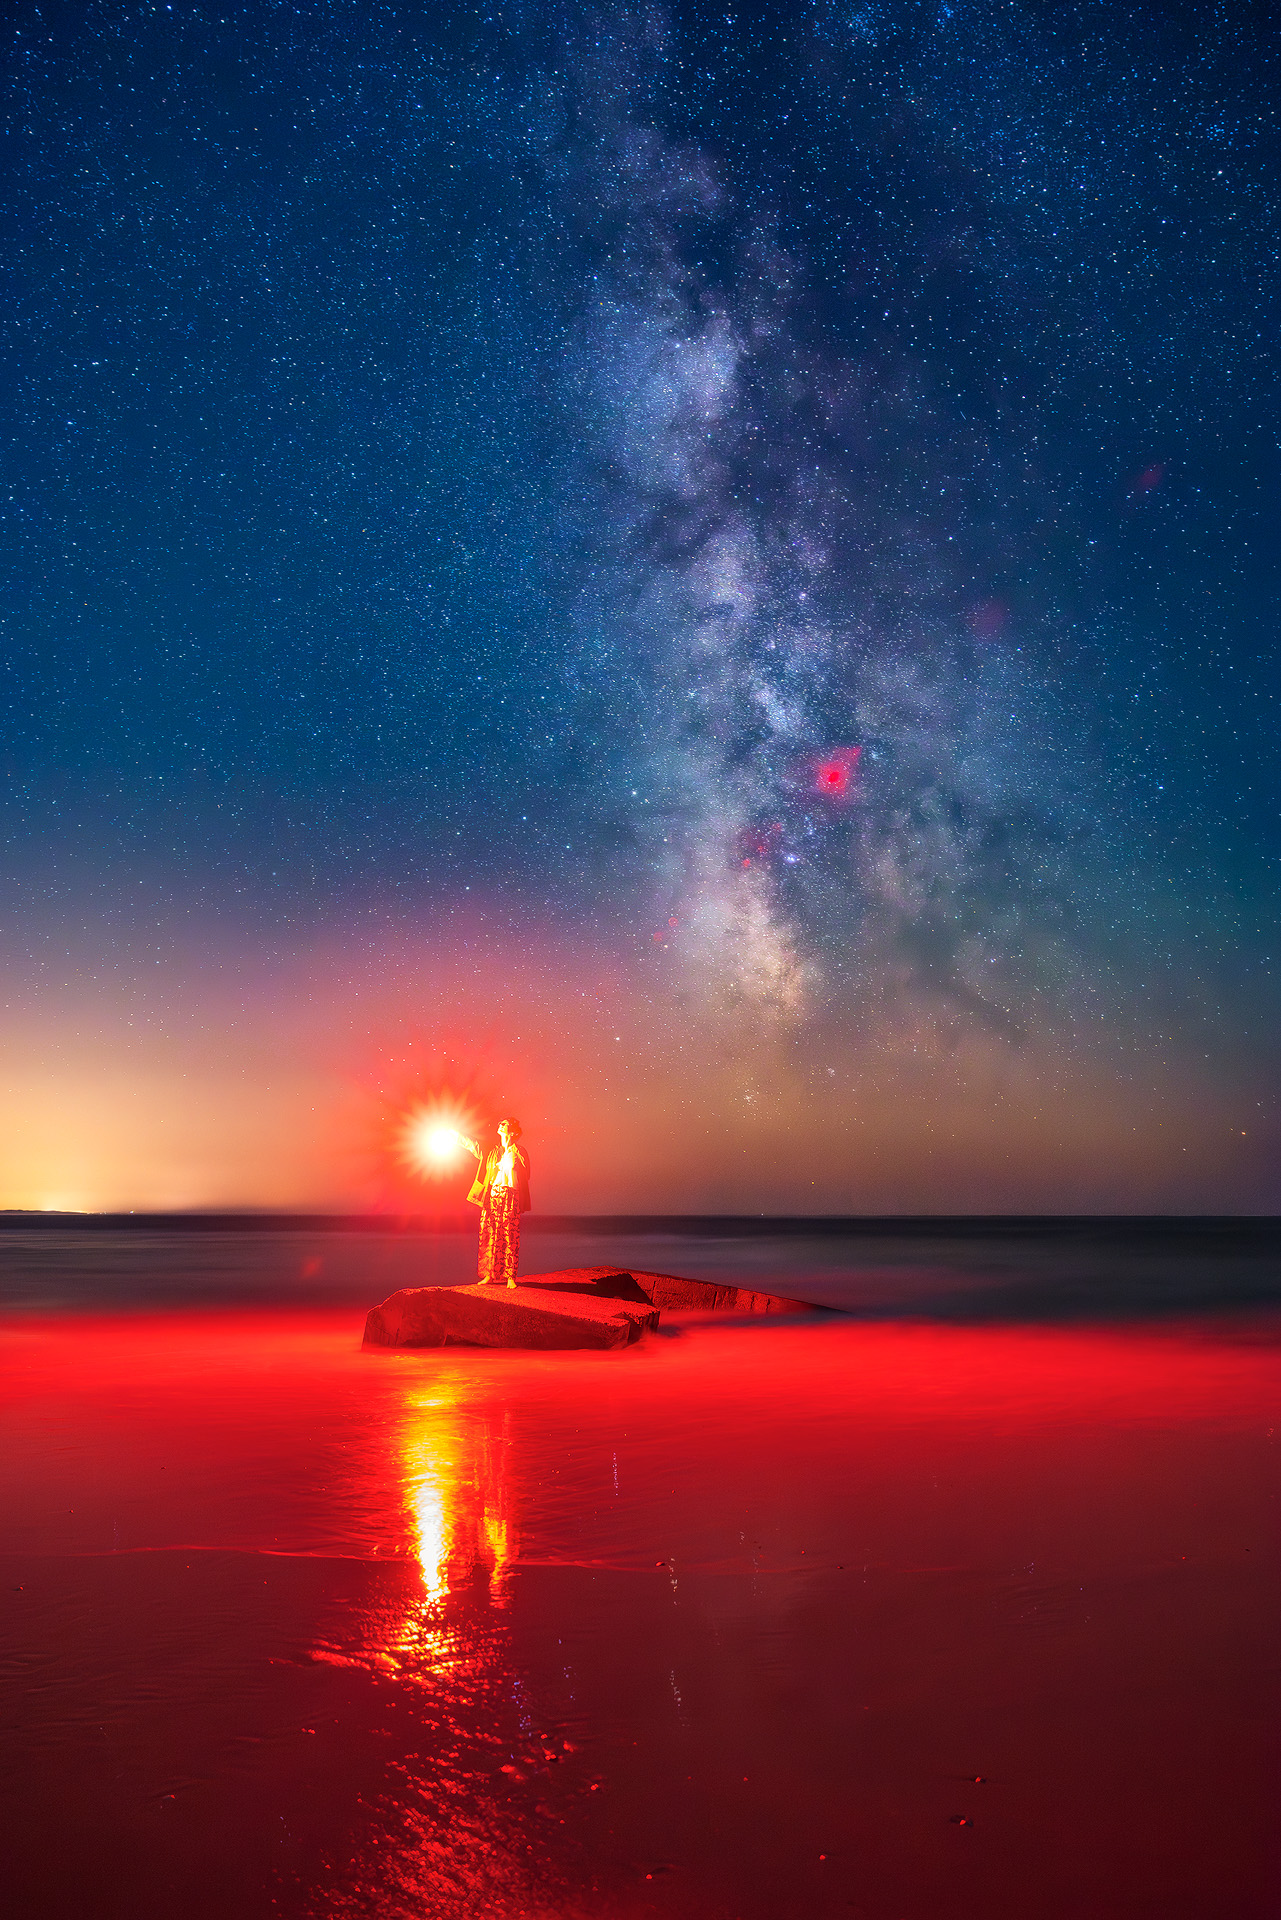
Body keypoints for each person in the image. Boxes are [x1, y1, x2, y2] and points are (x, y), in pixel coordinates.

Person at [460, 1117, 531, 1288]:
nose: (500, 1125)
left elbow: (526, 1175)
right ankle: (488, 1275)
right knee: (488, 1234)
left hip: (511, 1195)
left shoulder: (520, 1152)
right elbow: (472, 1144)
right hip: (492, 1195)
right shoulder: (492, 1152)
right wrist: (453, 1134)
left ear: (513, 1131)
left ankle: (510, 1277)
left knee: (510, 1235)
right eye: (501, 1123)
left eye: (505, 1124)